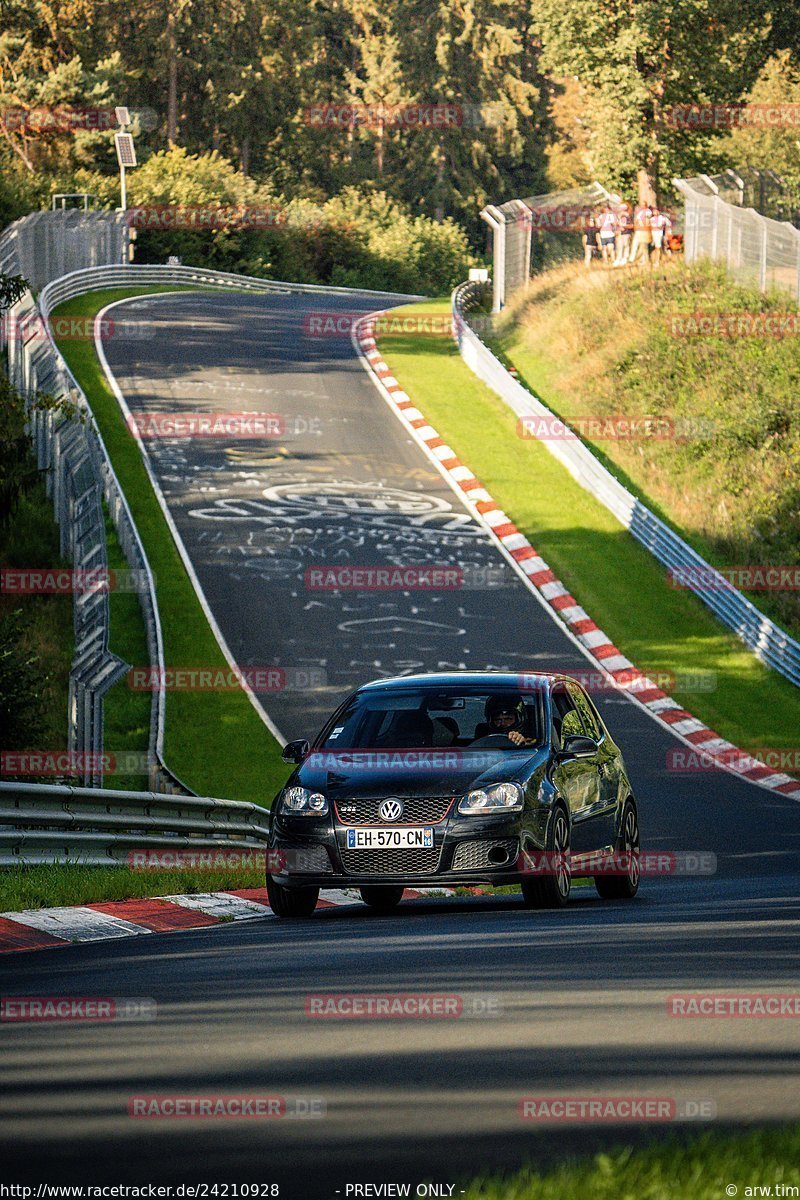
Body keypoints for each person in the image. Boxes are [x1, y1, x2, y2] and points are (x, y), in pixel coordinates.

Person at [628, 201, 653, 266]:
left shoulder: (647, 211)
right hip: (638, 230)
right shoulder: (639, 212)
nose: (642, 206)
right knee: (635, 244)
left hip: (644, 230)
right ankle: (632, 258)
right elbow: (636, 221)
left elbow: (647, 220)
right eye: (641, 205)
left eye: (643, 205)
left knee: (643, 245)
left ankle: (644, 259)